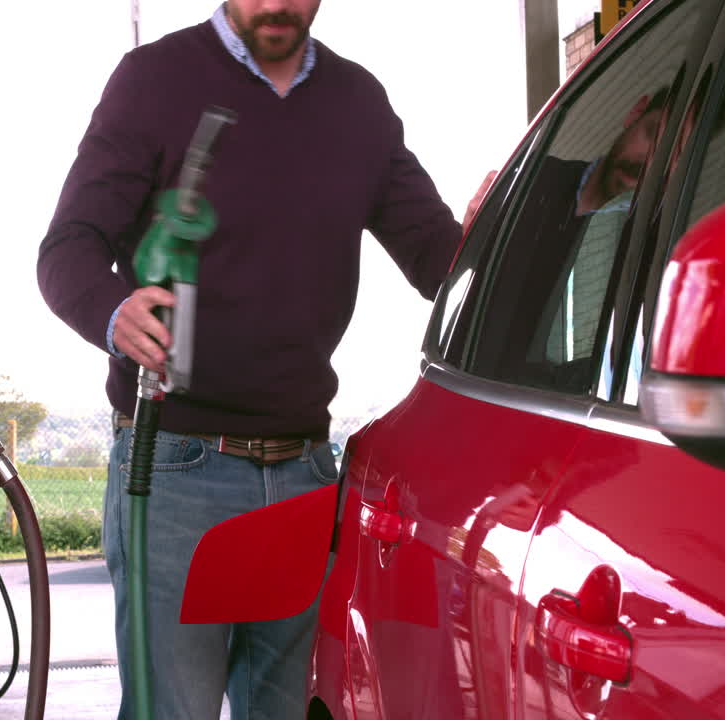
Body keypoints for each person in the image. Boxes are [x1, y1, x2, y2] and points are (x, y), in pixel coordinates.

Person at [35, 2, 463, 718]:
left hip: (302, 474)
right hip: (174, 473)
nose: (277, 4)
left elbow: (438, 259)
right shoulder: (155, 80)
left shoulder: (358, 103)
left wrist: (578, 195)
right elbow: (68, 248)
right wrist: (115, 311)